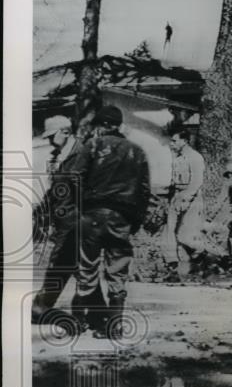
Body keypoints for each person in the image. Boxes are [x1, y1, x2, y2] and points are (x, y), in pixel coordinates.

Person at [65, 104, 151, 339]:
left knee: (86, 267)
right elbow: (144, 191)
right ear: (119, 125)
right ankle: (114, 326)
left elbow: (74, 179)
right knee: (117, 270)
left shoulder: (91, 146)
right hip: (121, 218)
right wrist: (136, 221)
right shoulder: (137, 151)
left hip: (91, 215)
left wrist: (78, 208)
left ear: (101, 126)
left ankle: (78, 321)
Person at [31, 115, 99, 328]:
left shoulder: (82, 154)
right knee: (73, 266)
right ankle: (98, 313)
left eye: (52, 137)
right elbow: (55, 191)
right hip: (64, 220)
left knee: (64, 263)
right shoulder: (62, 155)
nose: (50, 141)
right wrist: (42, 211)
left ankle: (42, 307)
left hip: (76, 220)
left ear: (65, 132)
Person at [163, 127, 207, 282]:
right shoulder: (178, 158)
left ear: (185, 141)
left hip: (191, 197)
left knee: (185, 235)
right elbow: (174, 181)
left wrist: (186, 199)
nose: (171, 144)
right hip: (176, 195)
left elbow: (197, 181)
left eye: (174, 141)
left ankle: (203, 254)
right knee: (169, 233)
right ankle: (172, 269)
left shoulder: (195, 158)